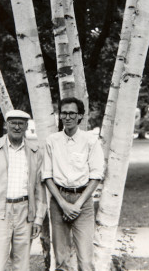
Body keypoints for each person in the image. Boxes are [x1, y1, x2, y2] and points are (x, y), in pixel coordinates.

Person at [0, 109, 46, 271]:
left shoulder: (35, 152)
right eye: (13, 123)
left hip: (25, 214)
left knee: (22, 263)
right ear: (6, 125)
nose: (17, 127)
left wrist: (38, 218)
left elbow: (40, 189)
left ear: (26, 126)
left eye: (21, 123)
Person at [42, 97, 105, 271]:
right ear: (59, 115)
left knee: (85, 260)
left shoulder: (90, 140)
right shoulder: (52, 141)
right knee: (61, 260)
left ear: (80, 116)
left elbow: (96, 175)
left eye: (72, 113)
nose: (67, 117)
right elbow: (47, 175)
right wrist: (63, 204)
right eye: (64, 113)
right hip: (58, 200)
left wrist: (77, 204)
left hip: (83, 202)